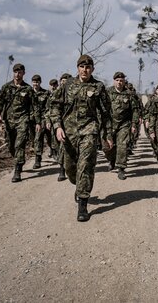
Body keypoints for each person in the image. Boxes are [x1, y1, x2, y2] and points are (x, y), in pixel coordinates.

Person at [50, 55, 111, 222]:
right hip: (68, 134)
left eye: (89, 67)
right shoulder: (67, 85)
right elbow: (54, 105)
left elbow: (106, 113)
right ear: (77, 68)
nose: (85, 70)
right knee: (70, 168)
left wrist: (107, 134)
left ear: (92, 69)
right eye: (82, 67)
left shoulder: (98, 87)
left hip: (89, 131)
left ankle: (83, 204)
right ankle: (78, 186)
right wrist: (57, 126)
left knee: (85, 165)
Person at [0, 63, 41, 183]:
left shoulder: (28, 89)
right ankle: (18, 159)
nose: (17, 74)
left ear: (23, 73)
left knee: (19, 144)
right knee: (11, 145)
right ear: (13, 73)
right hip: (9, 121)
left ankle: (18, 170)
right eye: (15, 72)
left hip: (23, 119)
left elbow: (35, 106)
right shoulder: (6, 87)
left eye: (20, 72)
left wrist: (37, 122)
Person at [105, 72, 140, 180]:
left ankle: (121, 168)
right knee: (107, 147)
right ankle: (112, 160)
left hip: (124, 125)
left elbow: (135, 110)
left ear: (124, 81)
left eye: (121, 80)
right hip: (110, 124)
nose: (119, 82)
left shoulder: (129, 94)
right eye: (117, 80)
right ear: (114, 81)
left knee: (122, 146)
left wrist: (134, 124)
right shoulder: (107, 93)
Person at [52, 73, 72, 182]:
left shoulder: (74, 92)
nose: (65, 82)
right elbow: (52, 109)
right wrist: (56, 125)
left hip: (74, 126)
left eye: (67, 80)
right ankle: (62, 170)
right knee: (61, 147)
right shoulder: (57, 93)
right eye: (63, 80)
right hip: (60, 125)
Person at [30, 74, 51, 169]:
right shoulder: (28, 92)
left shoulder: (46, 93)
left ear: (40, 82)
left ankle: (37, 160)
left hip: (42, 118)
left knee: (39, 137)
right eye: (34, 82)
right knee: (33, 139)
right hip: (31, 120)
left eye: (37, 82)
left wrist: (47, 119)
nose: (35, 84)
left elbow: (48, 107)